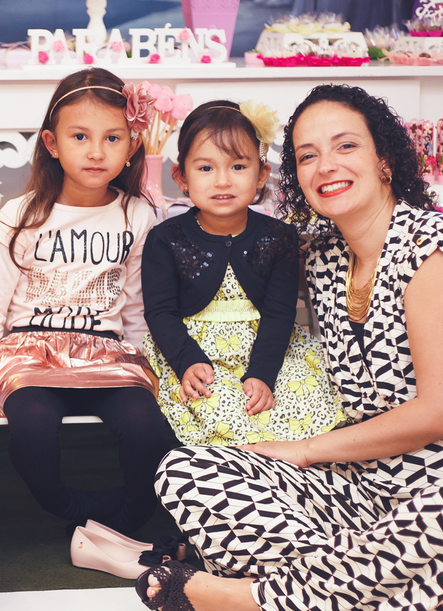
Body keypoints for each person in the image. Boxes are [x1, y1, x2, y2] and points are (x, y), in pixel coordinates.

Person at [141, 83, 443, 611]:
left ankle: (243, 597)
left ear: (384, 159)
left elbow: (442, 414)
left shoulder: (436, 248)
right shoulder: (318, 257)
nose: (326, 166)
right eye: (308, 155)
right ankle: (402, 599)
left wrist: (306, 449)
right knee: (189, 472)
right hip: (366, 494)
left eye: (345, 146)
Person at [0, 67, 183, 552]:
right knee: (33, 426)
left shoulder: (137, 214)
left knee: (147, 426)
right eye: (79, 136)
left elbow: (136, 308)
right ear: (51, 142)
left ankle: (129, 515)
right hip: (30, 353)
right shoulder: (20, 216)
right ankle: (69, 509)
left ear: (132, 145)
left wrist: (151, 371)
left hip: (106, 354)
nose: (95, 151)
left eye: (112, 137)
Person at [142, 99, 343, 447]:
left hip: (266, 348)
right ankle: (231, 478)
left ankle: (289, 474)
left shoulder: (277, 237)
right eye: (205, 168)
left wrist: (263, 374)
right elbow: (161, 312)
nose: (222, 181)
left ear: (261, 174)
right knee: (215, 403)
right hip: (195, 352)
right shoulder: (165, 238)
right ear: (182, 177)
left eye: (237, 166)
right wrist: (187, 361)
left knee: (300, 393)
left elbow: (280, 312)